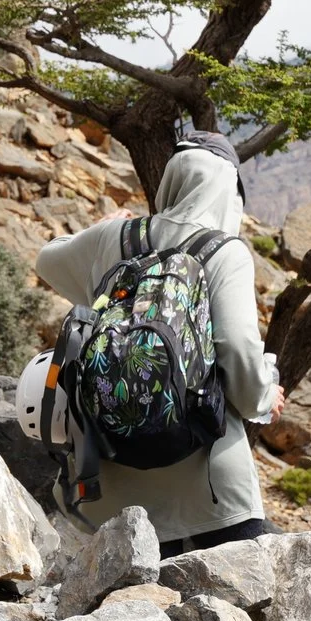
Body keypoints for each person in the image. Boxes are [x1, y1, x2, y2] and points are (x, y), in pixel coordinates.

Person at [36, 131, 282, 557]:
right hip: (210, 487)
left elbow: (47, 259)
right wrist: (264, 396)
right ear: (229, 193)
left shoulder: (114, 238)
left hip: (111, 483)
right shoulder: (226, 252)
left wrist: (103, 226)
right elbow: (239, 350)